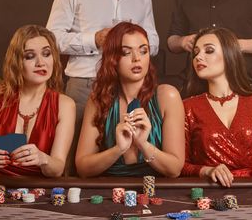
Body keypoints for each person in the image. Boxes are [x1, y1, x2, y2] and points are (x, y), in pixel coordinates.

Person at [47, 0, 159, 175]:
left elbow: (153, 42)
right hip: (85, 84)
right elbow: (52, 39)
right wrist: (94, 40)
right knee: (75, 161)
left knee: (124, 157)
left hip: (127, 89)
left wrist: (129, 41)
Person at [75, 22, 184, 177]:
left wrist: (143, 145)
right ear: (112, 59)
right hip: (109, 193)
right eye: (126, 52)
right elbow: (83, 168)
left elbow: (174, 169)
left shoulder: (167, 96)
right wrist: (118, 149)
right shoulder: (98, 100)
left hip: (156, 192)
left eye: (143, 51)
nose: (136, 58)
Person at [181, 27, 252, 187]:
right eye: (196, 52)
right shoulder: (188, 107)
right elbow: (181, 165)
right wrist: (207, 171)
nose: (198, 57)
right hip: (209, 192)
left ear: (230, 54)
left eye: (209, 50)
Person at [0, 25, 75, 177]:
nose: (41, 63)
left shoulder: (65, 105)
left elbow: (57, 168)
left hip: (38, 193)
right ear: (16, 62)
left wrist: (43, 159)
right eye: (30, 56)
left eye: (47, 54)